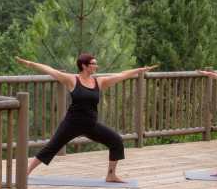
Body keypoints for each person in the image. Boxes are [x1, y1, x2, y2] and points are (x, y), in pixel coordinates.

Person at [15, 54, 156, 182]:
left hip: (90, 125)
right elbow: (50, 70)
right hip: (71, 123)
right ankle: (25, 173)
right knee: (51, 147)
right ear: (84, 65)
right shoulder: (72, 80)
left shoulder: (99, 82)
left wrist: (140, 70)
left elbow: (121, 75)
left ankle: (111, 175)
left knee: (116, 140)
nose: (96, 66)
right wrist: (29, 63)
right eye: (93, 64)